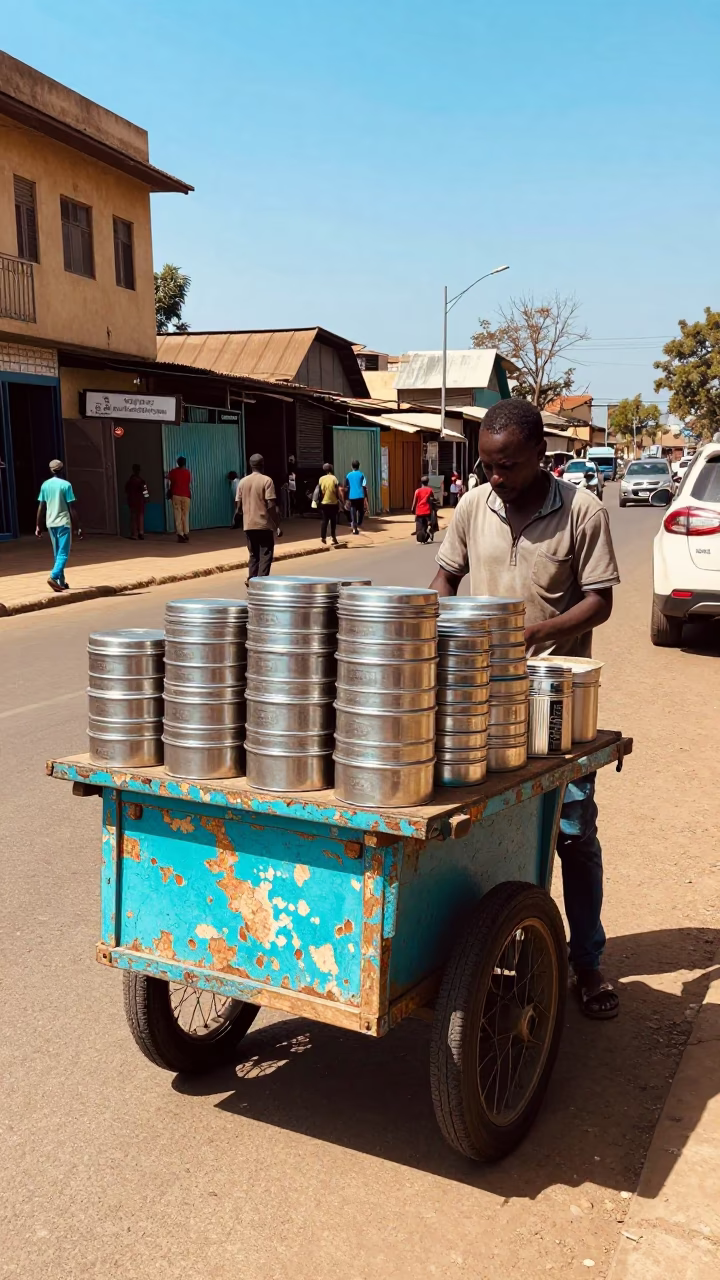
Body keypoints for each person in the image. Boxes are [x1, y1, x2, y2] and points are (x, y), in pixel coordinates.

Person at [430, 398, 621, 1021]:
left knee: (571, 829)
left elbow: (600, 601)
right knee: (482, 827)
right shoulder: (470, 507)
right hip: (480, 697)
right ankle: (495, 952)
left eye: (507, 465)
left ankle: (586, 962)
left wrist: (540, 633)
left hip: (555, 700)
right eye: (487, 464)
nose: (495, 477)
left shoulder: (583, 511)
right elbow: (445, 580)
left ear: (541, 455)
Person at [36, 459, 82, 592]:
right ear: (62, 470)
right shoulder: (66, 485)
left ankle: (61, 582)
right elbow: (71, 507)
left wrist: (38, 525)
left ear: (50, 470)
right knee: (63, 553)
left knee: (58, 553)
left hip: (50, 523)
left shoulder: (45, 485)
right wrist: (78, 526)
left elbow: (41, 506)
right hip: (63, 523)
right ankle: (53, 576)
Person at [235, 453, 282, 580]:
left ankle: (251, 579)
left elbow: (238, 506)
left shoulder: (242, 482)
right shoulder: (267, 480)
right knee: (266, 554)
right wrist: (276, 524)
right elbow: (271, 505)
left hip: (248, 525)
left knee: (253, 555)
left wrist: (237, 518)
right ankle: (261, 582)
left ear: (250, 465)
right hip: (264, 524)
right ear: (262, 465)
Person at [167, 455, 192, 543]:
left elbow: (168, 478)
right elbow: (189, 482)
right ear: (185, 463)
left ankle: (180, 534)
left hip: (176, 495)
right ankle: (186, 532)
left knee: (178, 515)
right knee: (185, 515)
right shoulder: (187, 472)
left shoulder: (173, 472)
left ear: (177, 463)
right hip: (186, 495)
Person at [318, 462, 340, 546]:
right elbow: (337, 490)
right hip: (333, 502)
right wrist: (339, 499)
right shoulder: (334, 478)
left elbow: (320, 491)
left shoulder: (321, 479)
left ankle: (323, 537)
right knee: (333, 520)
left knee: (324, 520)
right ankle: (333, 537)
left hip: (324, 502)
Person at [343, 459, 368, 534]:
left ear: (351, 466)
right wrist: (366, 497)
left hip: (352, 496)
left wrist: (346, 497)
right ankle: (359, 523)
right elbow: (364, 485)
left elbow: (345, 486)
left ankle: (354, 528)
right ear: (359, 466)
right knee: (361, 510)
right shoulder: (362, 474)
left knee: (353, 511)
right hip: (360, 495)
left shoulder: (348, 475)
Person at [411, 474, 436, 543]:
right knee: (427, 524)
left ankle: (420, 537)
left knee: (419, 527)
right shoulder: (430, 490)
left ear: (421, 483)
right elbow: (433, 500)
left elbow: (414, 502)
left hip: (419, 511)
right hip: (427, 511)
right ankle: (428, 530)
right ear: (428, 482)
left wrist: (413, 510)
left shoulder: (417, 491)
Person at [125, 464, 147, 540]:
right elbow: (145, 491)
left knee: (133, 517)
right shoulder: (141, 481)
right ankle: (141, 532)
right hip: (140, 501)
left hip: (132, 501)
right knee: (140, 516)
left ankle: (134, 534)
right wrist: (146, 498)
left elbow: (126, 490)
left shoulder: (130, 481)